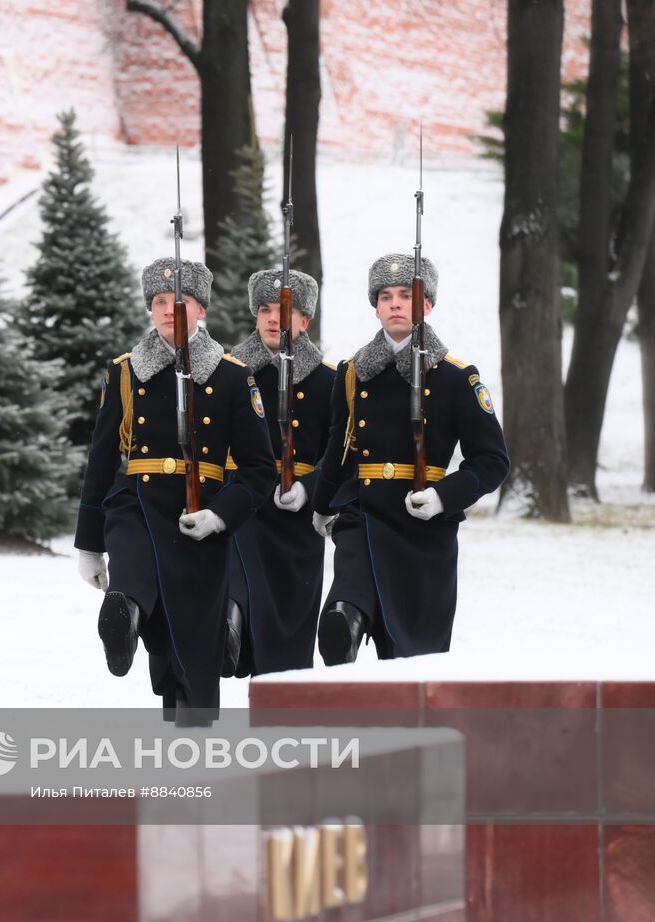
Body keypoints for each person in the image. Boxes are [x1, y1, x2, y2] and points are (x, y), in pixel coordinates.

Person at [75, 256, 275, 711]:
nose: (169, 310)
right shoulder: (125, 372)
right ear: (150, 310)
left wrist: (220, 516)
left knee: (187, 652)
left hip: (198, 514)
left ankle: (191, 739)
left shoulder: (231, 376)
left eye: (180, 301)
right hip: (138, 502)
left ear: (201, 309)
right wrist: (89, 545)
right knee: (133, 567)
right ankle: (122, 609)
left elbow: (259, 468)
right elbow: (102, 460)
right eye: (160, 301)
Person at [310, 254, 509, 663]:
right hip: (363, 512)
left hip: (424, 526)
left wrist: (442, 497)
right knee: (351, 587)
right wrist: (322, 504)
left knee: (415, 654)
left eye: (406, 295)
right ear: (376, 306)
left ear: (427, 305)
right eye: (386, 296)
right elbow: (339, 447)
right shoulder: (352, 373)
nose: (396, 303)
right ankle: (345, 622)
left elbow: (491, 460)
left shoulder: (456, 377)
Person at [225, 268, 334, 674]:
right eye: (265, 309)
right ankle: (230, 620)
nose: (274, 319)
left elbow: (341, 457)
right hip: (241, 504)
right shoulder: (227, 373)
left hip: (295, 520)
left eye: (285, 312)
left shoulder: (328, 382)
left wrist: (308, 487)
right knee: (237, 567)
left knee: (287, 642)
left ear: (304, 321)